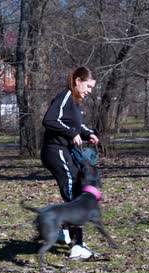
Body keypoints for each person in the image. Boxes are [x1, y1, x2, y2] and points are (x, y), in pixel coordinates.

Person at [40, 66, 99, 259]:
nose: (90, 90)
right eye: (88, 86)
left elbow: (76, 125)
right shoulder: (64, 96)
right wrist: (71, 133)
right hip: (55, 151)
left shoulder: (75, 101)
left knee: (75, 192)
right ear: (78, 81)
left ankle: (61, 231)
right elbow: (49, 120)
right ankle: (76, 246)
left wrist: (88, 133)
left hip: (65, 151)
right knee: (74, 193)